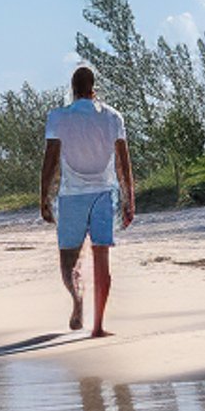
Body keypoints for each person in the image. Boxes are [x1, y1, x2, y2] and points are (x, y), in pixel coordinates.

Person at [39, 65, 136, 337]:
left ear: (73, 90)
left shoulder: (58, 117)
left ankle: (77, 300)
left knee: (67, 261)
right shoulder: (113, 117)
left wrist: (43, 196)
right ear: (94, 90)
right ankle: (98, 326)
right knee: (101, 256)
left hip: (71, 196)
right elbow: (123, 162)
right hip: (104, 194)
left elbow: (50, 160)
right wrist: (130, 199)